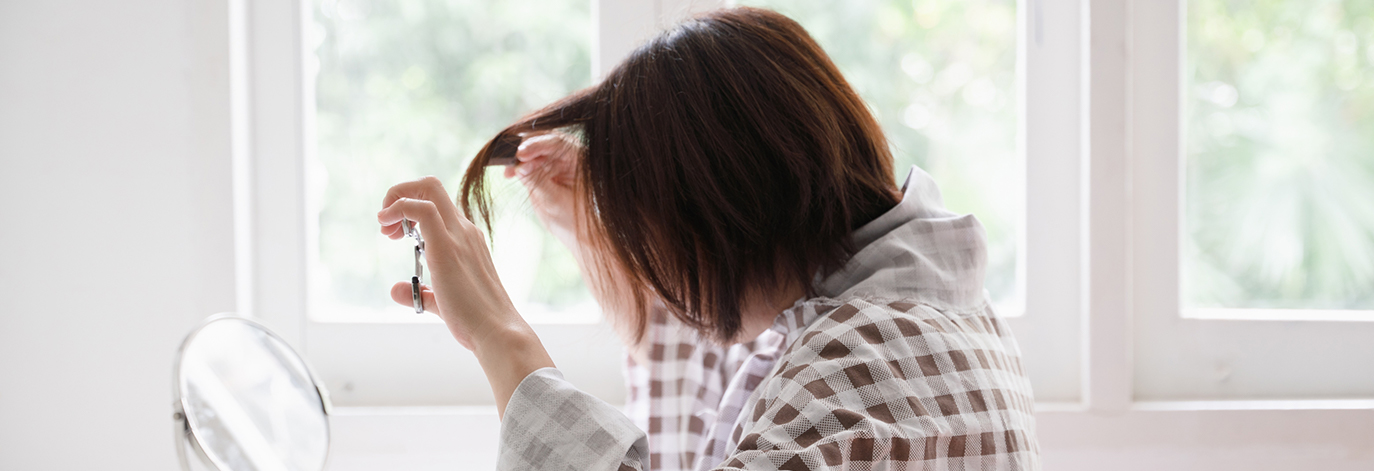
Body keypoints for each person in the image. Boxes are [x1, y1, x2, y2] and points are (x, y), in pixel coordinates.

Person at [375, 7, 1037, 470]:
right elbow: (726, 388)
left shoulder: (855, 371)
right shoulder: (934, 313)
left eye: (650, 240)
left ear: (721, 213)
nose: (652, 275)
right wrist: (603, 233)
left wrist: (500, 334)